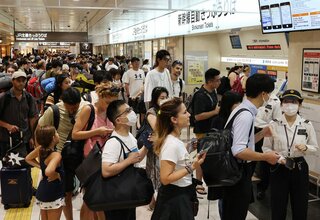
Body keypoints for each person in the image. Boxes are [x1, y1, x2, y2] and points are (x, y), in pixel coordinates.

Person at [221, 73, 280, 220]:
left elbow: (240, 141)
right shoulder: (245, 115)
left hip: (236, 173)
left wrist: (260, 135)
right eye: (270, 94)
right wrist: (265, 156)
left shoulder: (243, 109)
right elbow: (239, 150)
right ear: (263, 94)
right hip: (238, 174)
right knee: (235, 214)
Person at [262, 89, 318, 220]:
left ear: (300, 105)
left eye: (293, 102)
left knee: (300, 205)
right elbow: (266, 147)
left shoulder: (306, 125)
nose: (290, 105)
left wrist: (305, 147)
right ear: (281, 104)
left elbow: (314, 147)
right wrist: (278, 158)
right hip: (279, 167)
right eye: (286, 101)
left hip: (299, 167)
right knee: (278, 205)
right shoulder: (274, 124)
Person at [151, 98, 206, 220]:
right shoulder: (172, 144)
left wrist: (187, 148)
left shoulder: (174, 141)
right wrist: (192, 167)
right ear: (174, 119)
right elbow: (165, 178)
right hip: (174, 199)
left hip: (180, 194)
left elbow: (175, 160)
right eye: (185, 112)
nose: (189, 114)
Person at [38, 87, 88, 220]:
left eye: (74, 107)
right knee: (66, 193)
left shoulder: (85, 108)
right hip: (61, 158)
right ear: (62, 101)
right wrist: (42, 157)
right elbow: (40, 129)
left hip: (80, 155)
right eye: (69, 107)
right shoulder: (53, 110)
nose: (72, 110)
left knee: (87, 190)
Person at [72, 82, 119, 220]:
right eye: (107, 102)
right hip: (91, 159)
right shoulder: (88, 109)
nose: (109, 105)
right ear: (99, 96)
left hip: (107, 159)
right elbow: (75, 134)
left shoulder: (111, 112)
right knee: (90, 199)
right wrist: (97, 131)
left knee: (100, 199)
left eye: (113, 102)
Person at [102, 100, 148, 220]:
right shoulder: (113, 143)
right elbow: (106, 171)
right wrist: (128, 161)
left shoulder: (129, 136)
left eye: (131, 109)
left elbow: (136, 158)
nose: (132, 113)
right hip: (117, 197)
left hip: (128, 192)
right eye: (127, 111)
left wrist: (147, 146)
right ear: (118, 120)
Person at [25, 125, 64, 220]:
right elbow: (48, 171)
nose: (58, 135)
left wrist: (41, 167)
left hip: (42, 191)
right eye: (56, 133)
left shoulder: (40, 149)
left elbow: (28, 158)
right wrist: (56, 174)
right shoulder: (56, 155)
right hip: (53, 193)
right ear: (53, 138)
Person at [193, 68, 220, 194]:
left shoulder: (213, 91)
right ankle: (198, 182)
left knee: (209, 157)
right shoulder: (200, 95)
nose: (219, 82)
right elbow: (197, 116)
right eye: (217, 80)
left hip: (212, 129)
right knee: (201, 156)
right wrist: (214, 112)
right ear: (210, 81)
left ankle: (209, 180)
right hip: (202, 131)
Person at [0, 70, 38, 158]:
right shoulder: (4, 98)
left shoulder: (29, 98)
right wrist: (8, 126)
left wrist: (33, 137)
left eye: (23, 81)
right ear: (13, 81)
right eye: (18, 80)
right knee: (7, 167)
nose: (21, 83)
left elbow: (32, 119)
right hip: (7, 139)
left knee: (26, 165)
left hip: (25, 139)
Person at [254, 91, 282, 200]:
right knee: (257, 160)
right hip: (255, 132)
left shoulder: (275, 102)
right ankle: (260, 186)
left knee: (265, 162)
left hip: (267, 133)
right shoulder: (256, 99)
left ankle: (263, 188)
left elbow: (276, 121)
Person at [144, 86, 169, 210]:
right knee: (152, 174)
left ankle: (159, 201)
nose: (164, 100)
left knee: (163, 175)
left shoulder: (167, 111)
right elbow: (157, 128)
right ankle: (151, 200)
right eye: (162, 98)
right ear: (156, 99)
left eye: (166, 97)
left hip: (166, 146)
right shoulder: (152, 112)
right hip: (155, 147)